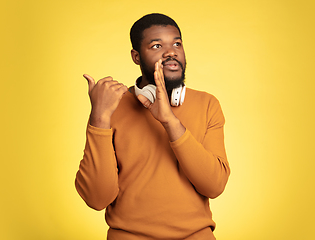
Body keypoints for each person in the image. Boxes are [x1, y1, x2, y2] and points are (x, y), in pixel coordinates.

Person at [75, 13, 230, 240]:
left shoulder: (207, 105)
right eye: (157, 45)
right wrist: (99, 117)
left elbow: (214, 185)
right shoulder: (112, 108)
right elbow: (96, 198)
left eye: (177, 43)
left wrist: (170, 122)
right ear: (136, 57)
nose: (171, 51)